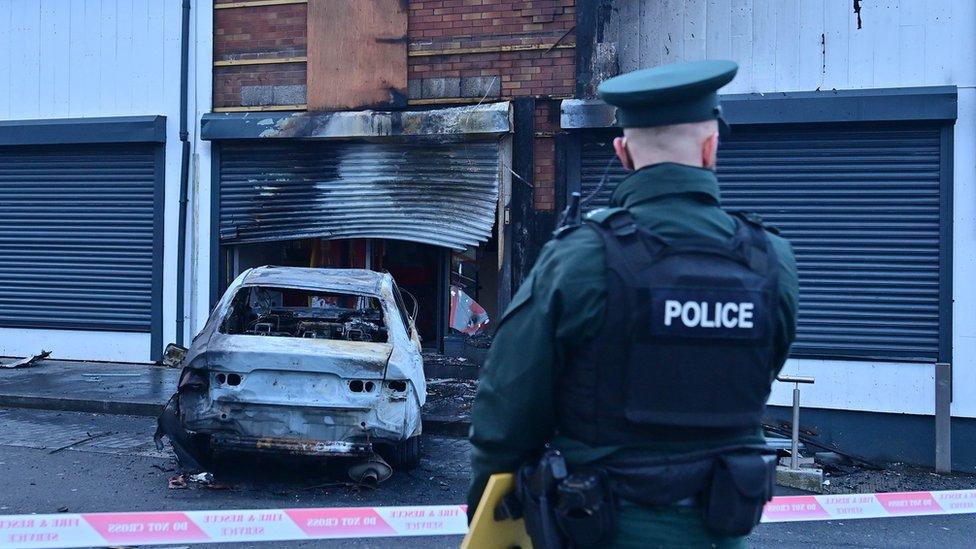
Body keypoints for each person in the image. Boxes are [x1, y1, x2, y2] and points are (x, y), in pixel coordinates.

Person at [467, 60, 799, 548]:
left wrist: (488, 516)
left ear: (623, 153)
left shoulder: (580, 258)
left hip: (598, 527)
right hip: (722, 528)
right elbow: (757, 373)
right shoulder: (772, 260)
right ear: (711, 148)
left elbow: (507, 411)